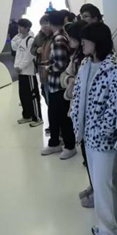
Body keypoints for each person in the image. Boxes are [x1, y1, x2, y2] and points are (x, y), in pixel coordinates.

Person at [70, 22, 117, 235]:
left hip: (104, 139)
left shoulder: (115, 68)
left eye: (86, 40)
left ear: (97, 42)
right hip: (87, 136)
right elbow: (77, 96)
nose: (82, 44)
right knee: (106, 184)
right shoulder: (85, 64)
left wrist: (101, 131)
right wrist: (76, 121)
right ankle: (116, 226)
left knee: (103, 188)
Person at [63, 20, 93, 204]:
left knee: (93, 158)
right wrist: (70, 81)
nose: (69, 41)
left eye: (71, 37)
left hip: (89, 116)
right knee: (86, 153)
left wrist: (72, 82)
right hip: (78, 110)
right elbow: (65, 75)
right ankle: (93, 185)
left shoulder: (91, 59)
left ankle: (97, 189)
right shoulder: (77, 56)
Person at [41, 11, 76, 159]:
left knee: (62, 117)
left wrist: (47, 68)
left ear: (50, 23)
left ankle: (69, 146)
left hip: (59, 85)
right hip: (55, 84)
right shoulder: (58, 37)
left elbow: (61, 64)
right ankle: (54, 142)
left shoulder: (59, 38)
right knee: (54, 115)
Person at [14, 19, 42, 126]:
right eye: (19, 26)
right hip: (21, 73)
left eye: (21, 27)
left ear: (27, 28)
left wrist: (20, 66)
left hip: (29, 73)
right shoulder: (21, 39)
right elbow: (18, 55)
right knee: (23, 95)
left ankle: (37, 118)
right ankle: (27, 115)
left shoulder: (30, 40)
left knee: (32, 96)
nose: (19, 29)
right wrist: (17, 66)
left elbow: (29, 56)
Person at [32, 13, 53, 128]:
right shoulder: (39, 36)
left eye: (46, 24)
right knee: (45, 92)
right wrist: (37, 50)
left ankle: (56, 125)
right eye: (42, 25)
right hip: (41, 68)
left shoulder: (56, 37)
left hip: (52, 69)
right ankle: (53, 123)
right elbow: (32, 49)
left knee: (51, 95)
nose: (44, 27)